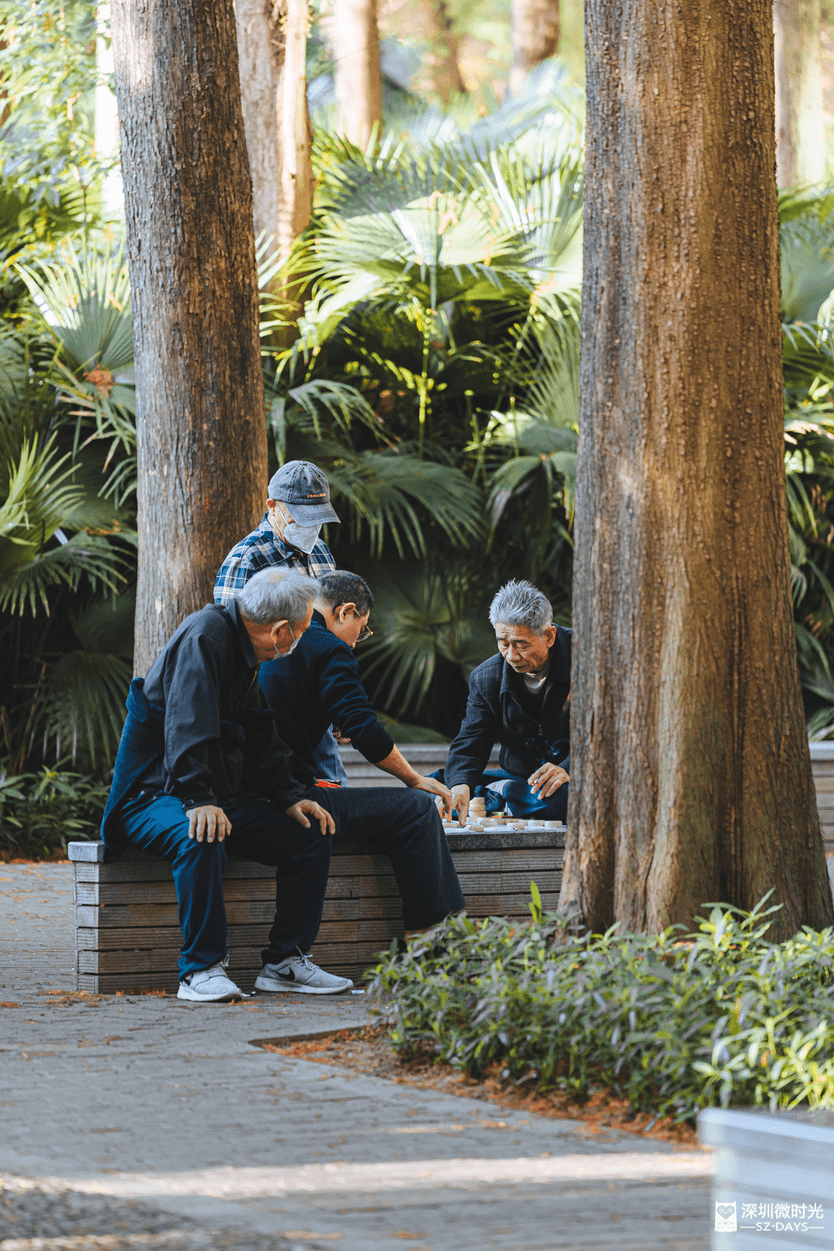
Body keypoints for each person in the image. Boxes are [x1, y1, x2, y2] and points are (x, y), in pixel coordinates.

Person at [102, 569, 464, 1003]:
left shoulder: (244, 650)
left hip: (205, 795)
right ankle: (200, 969)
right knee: (200, 836)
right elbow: (186, 721)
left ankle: (285, 963)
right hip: (153, 794)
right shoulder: (206, 636)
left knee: (311, 831)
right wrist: (198, 799)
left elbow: (260, 732)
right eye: (300, 631)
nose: (300, 641)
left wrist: (292, 798)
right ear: (279, 631)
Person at [258, 570, 452, 807]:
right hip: (288, 794)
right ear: (345, 611)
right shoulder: (330, 647)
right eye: (361, 630)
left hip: (250, 782)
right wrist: (414, 778)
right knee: (417, 808)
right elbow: (362, 728)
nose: (353, 643)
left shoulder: (273, 633)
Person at [213, 459, 347, 783]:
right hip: (268, 708)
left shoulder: (321, 553)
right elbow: (231, 646)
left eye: (318, 520)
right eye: (303, 518)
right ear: (273, 506)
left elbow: (330, 631)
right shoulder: (246, 559)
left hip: (315, 704)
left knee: (336, 795)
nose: (311, 528)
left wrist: (339, 699)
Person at [441, 580, 571, 826]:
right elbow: (471, 742)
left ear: (549, 636)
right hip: (520, 776)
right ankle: (505, 794)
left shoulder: (588, 660)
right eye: (503, 643)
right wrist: (459, 787)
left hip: (568, 781)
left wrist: (568, 768)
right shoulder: (486, 677)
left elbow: (608, 733)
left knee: (568, 799)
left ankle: (501, 795)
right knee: (436, 786)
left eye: (522, 645)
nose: (511, 656)